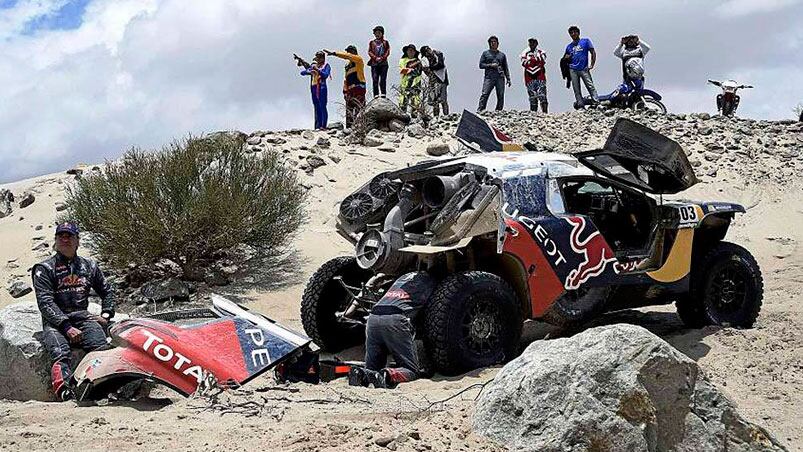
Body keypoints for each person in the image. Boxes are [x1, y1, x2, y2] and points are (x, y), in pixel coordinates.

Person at [32, 222, 115, 401]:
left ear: (78, 241)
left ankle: (104, 388)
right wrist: (67, 326)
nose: (65, 239)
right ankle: (65, 394)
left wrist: (106, 315)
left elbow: (107, 291)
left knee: (102, 350)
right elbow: (45, 302)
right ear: (55, 241)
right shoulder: (44, 268)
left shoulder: (89, 266)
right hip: (56, 322)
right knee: (60, 352)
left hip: (83, 318)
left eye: (69, 236)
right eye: (60, 236)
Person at [349, 272, 436, 388]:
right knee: (411, 371)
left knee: (372, 369)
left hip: (373, 317)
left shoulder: (403, 277)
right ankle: (389, 374)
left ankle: (361, 373)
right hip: (395, 319)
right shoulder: (433, 281)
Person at [324, 45, 366, 128]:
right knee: (349, 110)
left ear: (354, 52)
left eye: (350, 51)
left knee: (360, 108)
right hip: (350, 90)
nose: (348, 53)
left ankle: (361, 127)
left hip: (359, 87)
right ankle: (349, 128)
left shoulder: (358, 60)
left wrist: (334, 53)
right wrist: (345, 91)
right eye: (348, 51)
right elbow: (345, 79)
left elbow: (348, 56)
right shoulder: (347, 66)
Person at [563, 25, 598, 107]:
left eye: (575, 32)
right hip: (573, 69)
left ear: (578, 33)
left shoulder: (585, 41)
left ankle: (596, 102)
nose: (573, 34)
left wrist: (592, 64)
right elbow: (564, 58)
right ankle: (580, 104)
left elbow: (592, 52)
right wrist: (567, 58)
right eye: (571, 33)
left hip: (583, 68)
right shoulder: (569, 46)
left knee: (590, 85)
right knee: (576, 88)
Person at [298, 51, 331, 130]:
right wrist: (309, 71)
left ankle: (323, 125)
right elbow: (302, 73)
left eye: (319, 58)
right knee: (316, 106)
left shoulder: (326, 66)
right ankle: (318, 126)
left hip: (322, 87)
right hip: (314, 87)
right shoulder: (314, 66)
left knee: (322, 106)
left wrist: (318, 70)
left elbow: (325, 75)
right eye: (317, 58)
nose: (318, 59)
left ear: (323, 58)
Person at [478, 35, 511, 111]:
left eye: (495, 42)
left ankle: (498, 111)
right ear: (489, 43)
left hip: (500, 77)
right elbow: (481, 65)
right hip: (489, 77)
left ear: (498, 43)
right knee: (485, 94)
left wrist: (508, 78)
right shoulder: (485, 53)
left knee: (500, 95)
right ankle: (480, 110)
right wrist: (490, 65)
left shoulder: (502, 55)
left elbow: (505, 67)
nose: (493, 43)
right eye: (491, 42)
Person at [420, 45, 450, 116]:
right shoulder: (429, 60)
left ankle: (446, 116)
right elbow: (430, 73)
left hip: (442, 80)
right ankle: (436, 118)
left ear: (428, 50)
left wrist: (429, 68)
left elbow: (441, 65)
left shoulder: (438, 54)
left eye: (426, 54)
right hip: (433, 81)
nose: (426, 56)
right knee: (434, 102)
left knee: (443, 100)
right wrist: (426, 70)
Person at [520, 38, 548, 113]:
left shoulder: (541, 52)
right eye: (530, 42)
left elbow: (542, 61)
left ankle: (545, 113)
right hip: (529, 78)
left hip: (540, 76)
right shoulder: (524, 53)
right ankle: (533, 114)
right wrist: (534, 61)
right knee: (532, 96)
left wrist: (532, 61)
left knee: (542, 95)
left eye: (533, 42)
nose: (532, 44)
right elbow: (524, 63)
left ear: (536, 43)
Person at [399, 44, 423, 117]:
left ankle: (414, 118)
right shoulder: (402, 60)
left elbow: (419, 72)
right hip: (405, 84)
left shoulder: (418, 61)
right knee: (403, 102)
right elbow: (402, 70)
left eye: (412, 50)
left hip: (416, 84)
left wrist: (409, 70)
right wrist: (411, 70)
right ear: (406, 51)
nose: (411, 52)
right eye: (409, 50)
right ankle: (402, 117)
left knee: (415, 102)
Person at [368, 25, 391, 98]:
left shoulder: (385, 42)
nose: (377, 34)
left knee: (383, 79)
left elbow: (387, 51)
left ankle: (383, 93)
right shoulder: (372, 42)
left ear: (382, 33)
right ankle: (376, 94)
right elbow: (369, 51)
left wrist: (382, 58)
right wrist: (375, 58)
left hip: (383, 63)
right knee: (375, 79)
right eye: (376, 33)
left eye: (379, 33)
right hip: (374, 63)